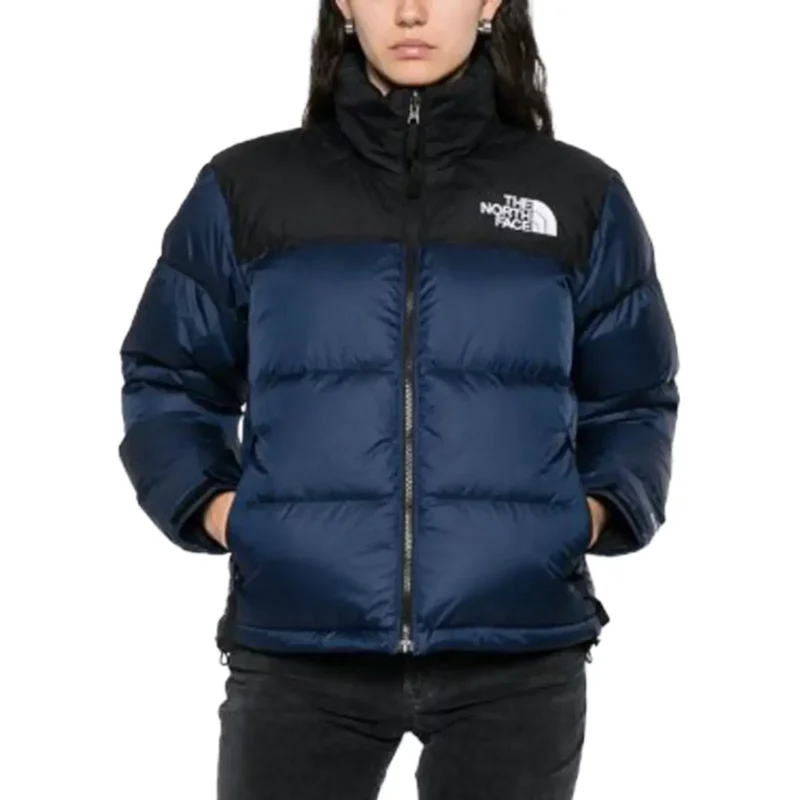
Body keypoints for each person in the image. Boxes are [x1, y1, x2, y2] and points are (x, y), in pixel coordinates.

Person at [117, 1, 679, 797]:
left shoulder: (577, 194)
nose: (410, 11)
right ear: (345, 5)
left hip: (516, 649)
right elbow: (168, 375)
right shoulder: (248, 187)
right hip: (300, 646)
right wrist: (222, 512)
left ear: (489, 4)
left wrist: (588, 514)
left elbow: (634, 397)